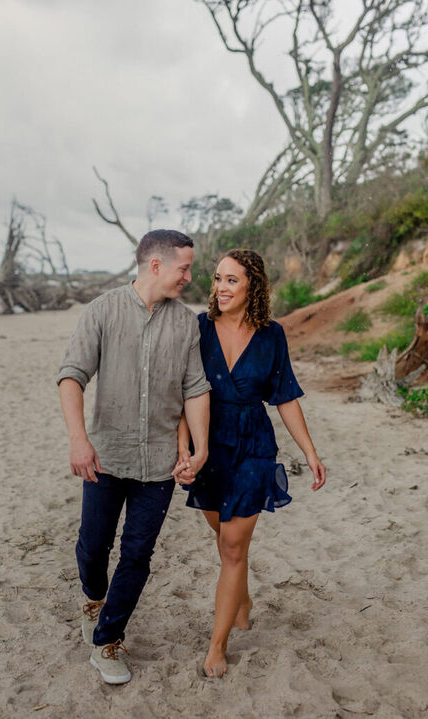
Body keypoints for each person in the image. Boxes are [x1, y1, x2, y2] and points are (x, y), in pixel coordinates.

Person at [57, 229, 210, 685]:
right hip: (104, 458)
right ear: (156, 265)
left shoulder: (186, 322)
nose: (189, 276)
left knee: (138, 554)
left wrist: (198, 450)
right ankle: (93, 597)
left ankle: (108, 640)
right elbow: (72, 376)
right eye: (184, 267)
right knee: (92, 546)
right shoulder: (102, 310)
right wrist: (78, 440)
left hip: (159, 464)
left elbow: (195, 389)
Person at [174, 248, 326, 678]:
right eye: (218, 279)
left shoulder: (271, 335)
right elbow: (180, 394)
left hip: (253, 445)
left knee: (234, 547)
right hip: (207, 441)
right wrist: (183, 447)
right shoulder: (197, 328)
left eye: (231, 281)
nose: (220, 288)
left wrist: (310, 453)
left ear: (252, 286)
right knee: (223, 537)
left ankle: (216, 646)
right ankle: (241, 595)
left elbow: (286, 397)